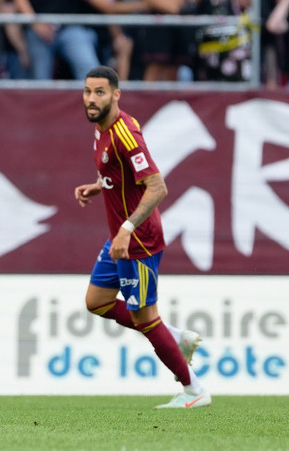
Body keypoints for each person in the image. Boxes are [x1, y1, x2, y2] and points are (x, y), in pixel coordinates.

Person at [74, 65, 210, 409]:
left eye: (100, 92)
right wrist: (99, 185)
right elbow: (120, 173)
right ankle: (176, 336)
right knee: (96, 302)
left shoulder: (125, 134)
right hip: (120, 238)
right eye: (88, 91)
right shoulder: (101, 128)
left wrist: (126, 229)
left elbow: (157, 187)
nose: (92, 98)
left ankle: (194, 391)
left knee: (144, 319)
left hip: (137, 242)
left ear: (116, 94)